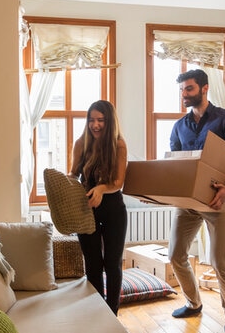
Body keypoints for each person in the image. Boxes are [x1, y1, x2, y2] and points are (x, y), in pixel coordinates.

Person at [167, 69, 225, 333]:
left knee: (220, 261)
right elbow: (175, 165)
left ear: (204, 89)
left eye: (189, 89)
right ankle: (193, 303)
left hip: (218, 200)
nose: (184, 94)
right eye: (181, 89)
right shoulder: (179, 126)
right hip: (189, 202)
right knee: (176, 255)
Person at [69, 100, 128, 315]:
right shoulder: (80, 144)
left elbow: (118, 182)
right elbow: (74, 174)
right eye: (92, 120)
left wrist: (102, 189)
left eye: (101, 120)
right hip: (87, 212)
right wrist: (67, 184)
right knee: (92, 265)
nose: (95, 125)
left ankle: (112, 314)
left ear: (109, 122)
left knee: (112, 264)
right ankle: (97, 312)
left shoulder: (119, 144)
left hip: (114, 210)